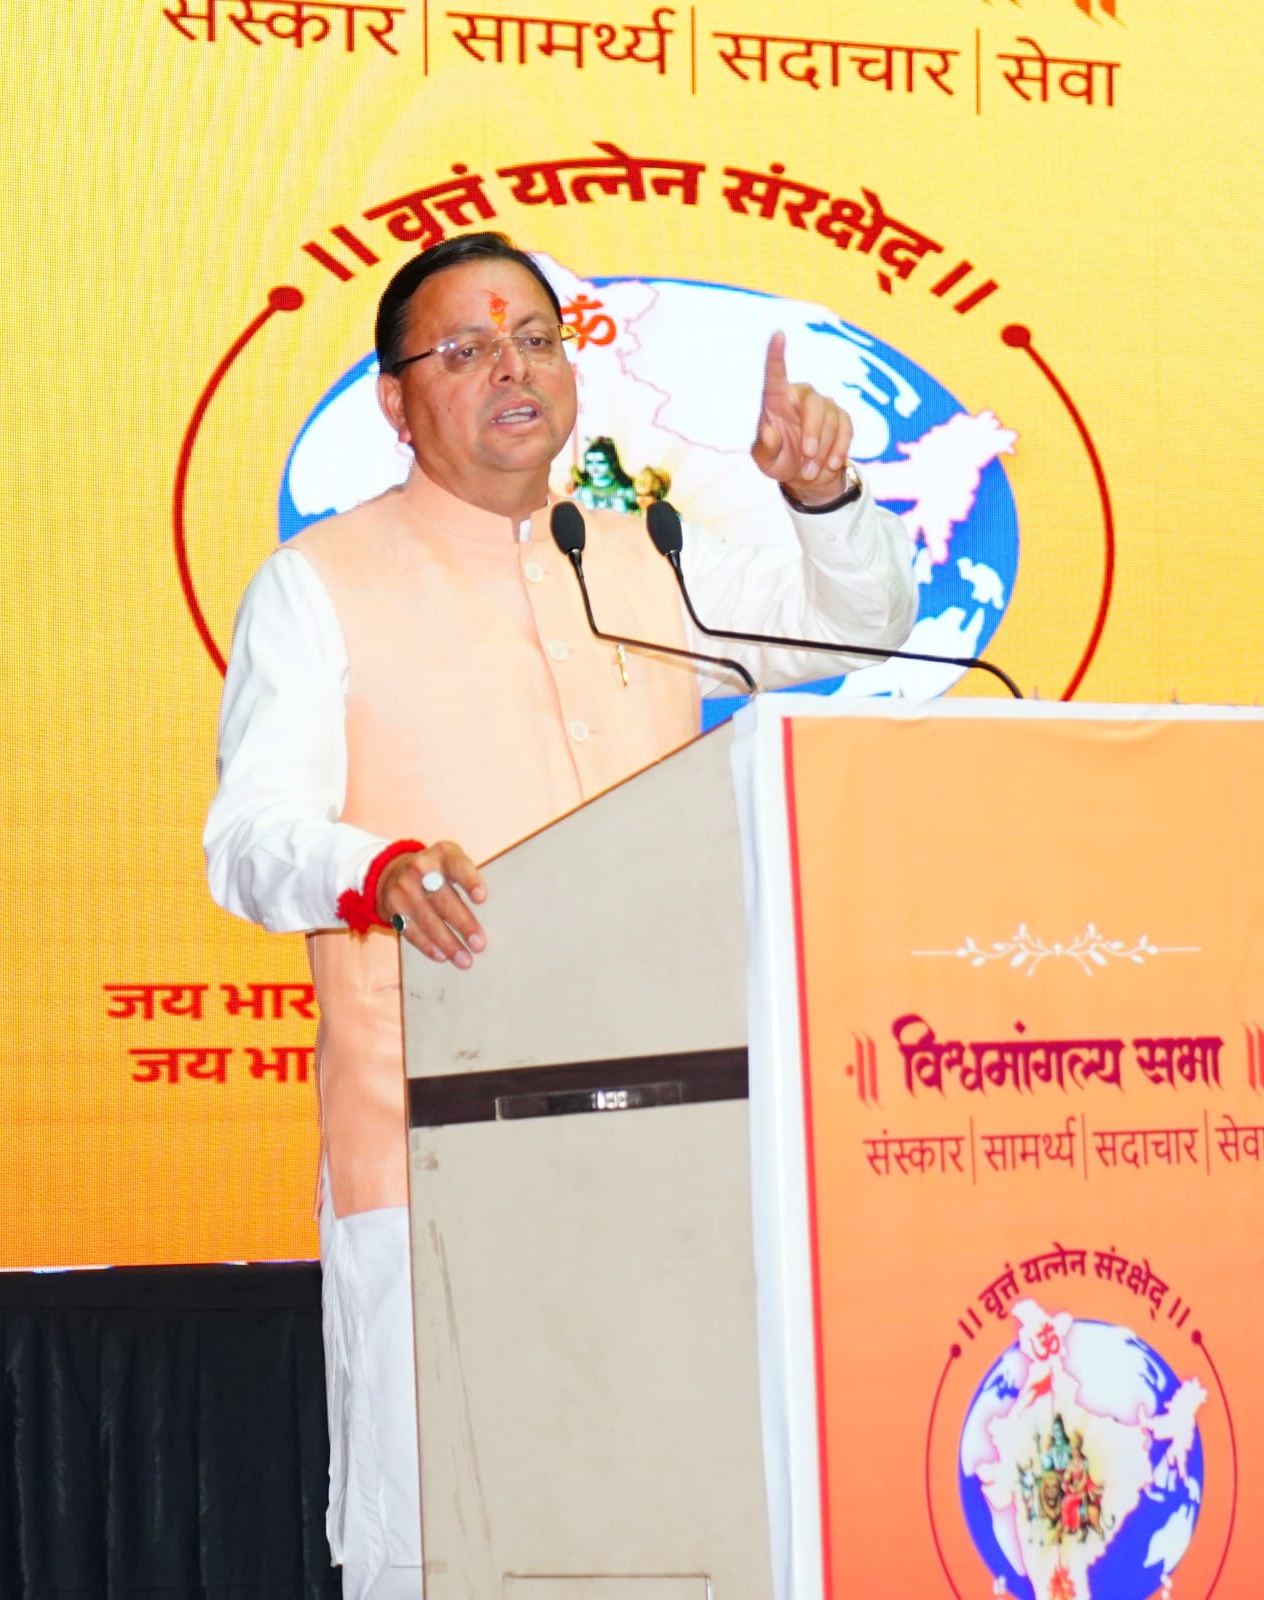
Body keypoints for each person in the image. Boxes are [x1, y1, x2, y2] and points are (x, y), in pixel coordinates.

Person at [204, 231, 916, 1600]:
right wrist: (375, 869)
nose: (513, 369)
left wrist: (822, 500)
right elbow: (245, 843)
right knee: (453, 1544)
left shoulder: (639, 552)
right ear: (395, 401)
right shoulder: (316, 584)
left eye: (536, 339)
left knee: (677, 1520)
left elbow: (857, 628)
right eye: (465, 349)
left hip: (673, 1137)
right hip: (437, 1156)